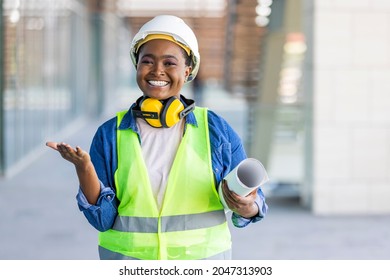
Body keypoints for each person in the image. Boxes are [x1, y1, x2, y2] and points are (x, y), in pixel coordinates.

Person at [46, 15, 268, 260]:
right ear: (137, 66)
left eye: (169, 63)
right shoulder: (110, 134)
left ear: (187, 70)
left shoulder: (216, 130)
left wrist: (247, 206)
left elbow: (254, 204)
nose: (157, 71)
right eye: (147, 61)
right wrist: (84, 169)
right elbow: (102, 219)